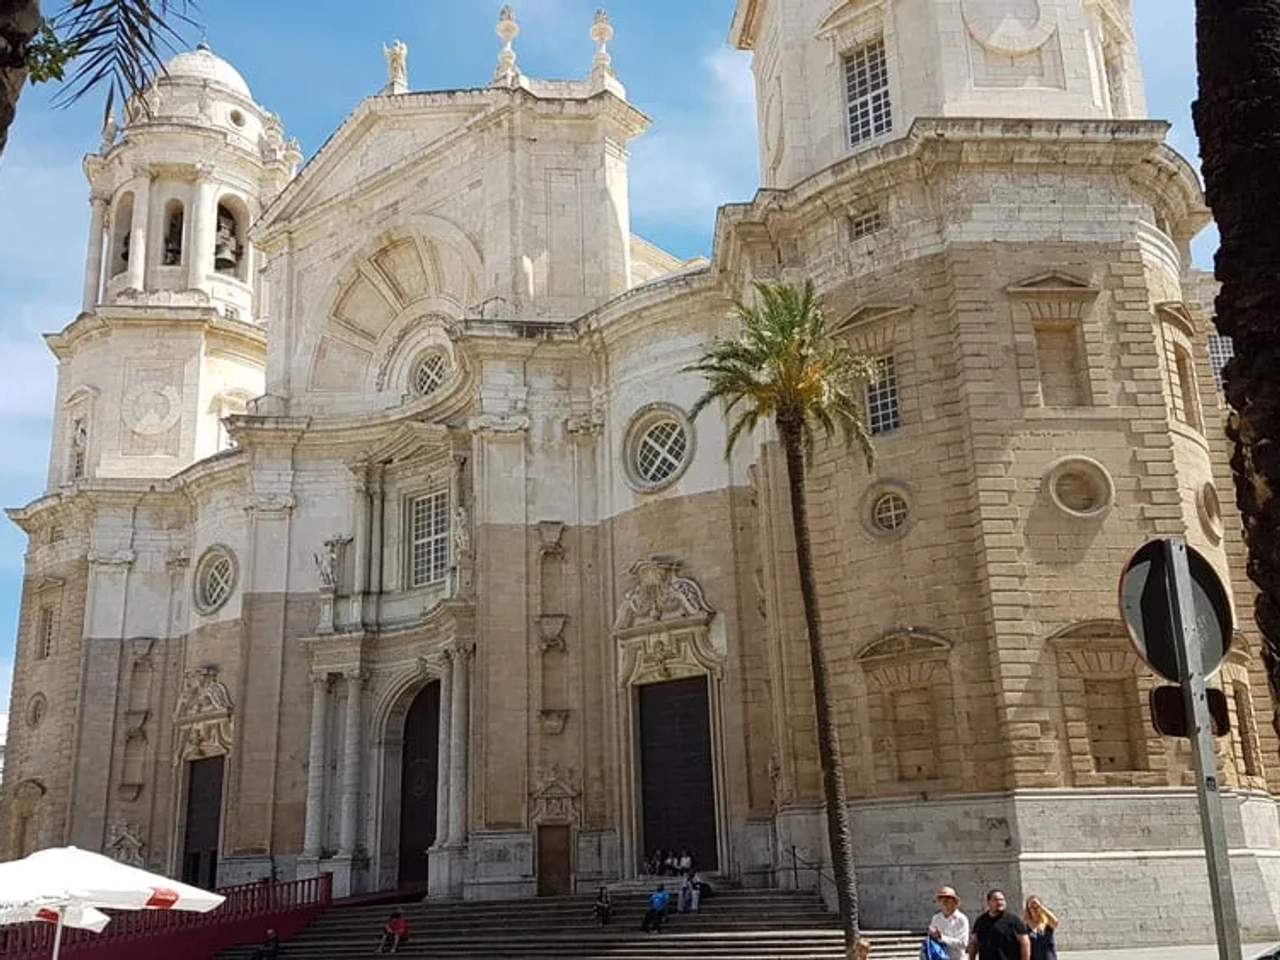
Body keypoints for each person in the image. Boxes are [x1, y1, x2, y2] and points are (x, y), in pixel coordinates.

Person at [968, 889, 1030, 960]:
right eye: (996, 900)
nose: (1000, 902)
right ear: (989, 902)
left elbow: (1025, 943)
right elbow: (974, 943)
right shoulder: (981, 921)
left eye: (1002, 900)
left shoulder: (1015, 921)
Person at [928, 886, 970, 960]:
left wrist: (942, 938)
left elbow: (963, 944)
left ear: (954, 901)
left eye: (948, 898)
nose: (944, 900)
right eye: (941, 898)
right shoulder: (936, 918)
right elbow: (931, 938)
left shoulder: (961, 919)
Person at [1023, 895, 1059, 960]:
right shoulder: (1026, 926)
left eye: (1036, 906)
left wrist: (1041, 908)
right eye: (1031, 907)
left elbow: (1055, 922)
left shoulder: (1047, 923)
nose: (1034, 909)